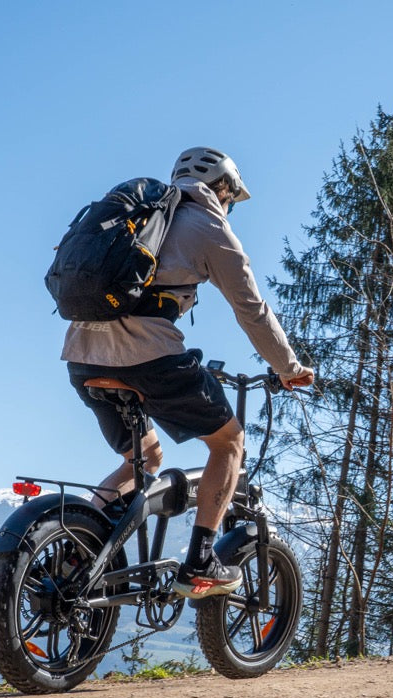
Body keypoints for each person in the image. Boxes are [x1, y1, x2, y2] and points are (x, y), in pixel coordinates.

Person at [63, 147, 314, 599]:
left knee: (144, 460)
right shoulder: (208, 226)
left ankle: (75, 548)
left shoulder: (141, 215)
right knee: (229, 441)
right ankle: (200, 561)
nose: (230, 206)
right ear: (223, 188)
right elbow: (252, 311)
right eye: (232, 198)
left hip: (82, 355)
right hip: (148, 358)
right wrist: (289, 368)